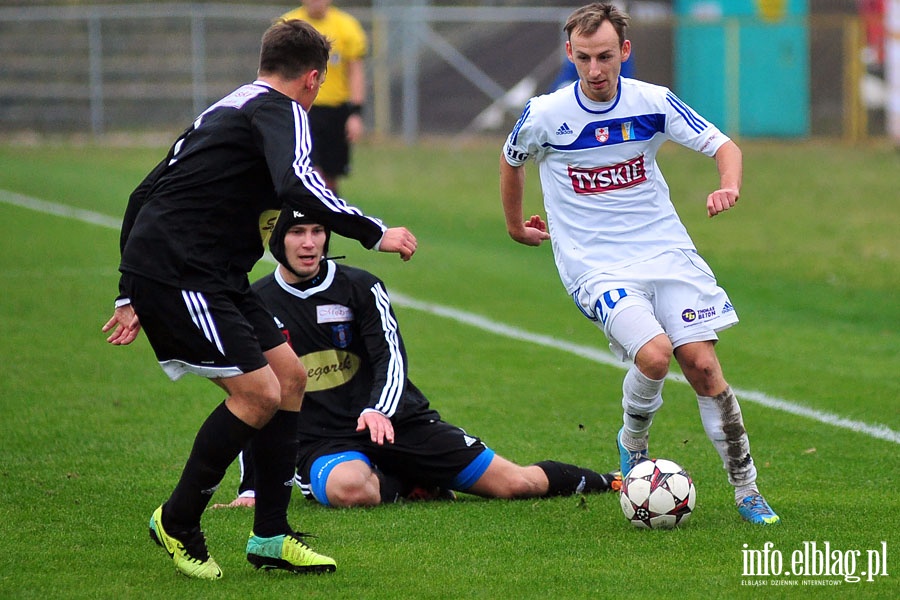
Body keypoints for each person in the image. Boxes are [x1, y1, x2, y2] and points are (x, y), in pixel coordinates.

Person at [102, 19, 418, 580]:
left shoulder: (227, 107)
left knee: (288, 378)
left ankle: (271, 535)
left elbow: (141, 192)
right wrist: (374, 231)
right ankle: (177, 522)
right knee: (256, 394)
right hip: (182, 274)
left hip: (211, 274)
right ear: (314, 78)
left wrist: (127, 291)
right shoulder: (282, 110)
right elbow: (298, 182)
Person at [498, 3, 780, 525]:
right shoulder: (546, 114)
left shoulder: (653, 101)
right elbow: (511, 160)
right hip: (595, 266)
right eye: (584, 58)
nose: (595, 69)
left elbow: (725, 146)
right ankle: (633, 443)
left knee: (701, 364)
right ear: (570, 54)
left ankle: (747, 491)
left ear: (625, 51)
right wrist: (516, 226)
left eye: (605, 56)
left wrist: (729, 185)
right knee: (654, 356)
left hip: (666, 251)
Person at [213, 209, 622, 510]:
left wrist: (379, 410)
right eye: (297, 232)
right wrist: (251, 488)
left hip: (397, 421)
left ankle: (612, 481)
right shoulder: (257, 303)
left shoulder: (361, 288)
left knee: (516, 484)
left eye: (317, 231)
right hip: (324, 441)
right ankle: (405, 482)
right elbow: (255, 394)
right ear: (277, 241)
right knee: (351, 490)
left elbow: (391, 358)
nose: (309, 243)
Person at [282, 0, 367, 194]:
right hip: (301, 110)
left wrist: (355, 113)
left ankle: (327, 221)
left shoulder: (347, 26)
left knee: (330, 180)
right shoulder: (289, 25)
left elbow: (356, 72)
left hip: (334, 111)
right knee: (312, 172)